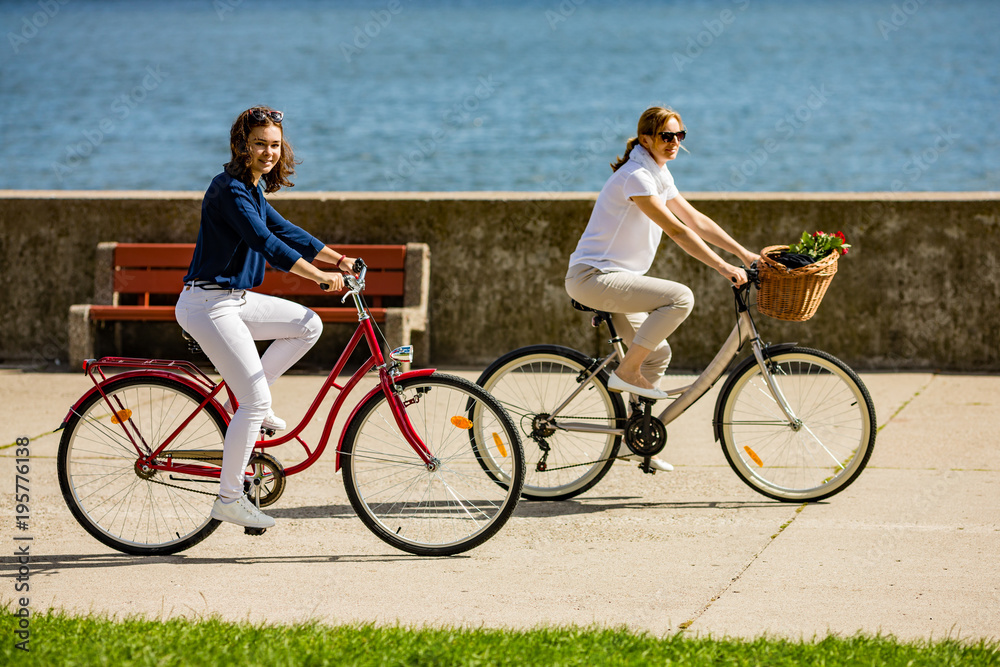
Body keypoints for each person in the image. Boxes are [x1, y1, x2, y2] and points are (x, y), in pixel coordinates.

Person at [175, 106, 357, 529]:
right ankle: (229, 497)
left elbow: (288, 231)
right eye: (260, 144)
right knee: (255, 403)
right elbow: (265, 242)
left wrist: (341, 260)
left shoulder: (251, 187)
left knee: (307, 325)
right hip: (208, 304)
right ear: (242, 145)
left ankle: (241, 401)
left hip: (234, 300)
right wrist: (319, 278)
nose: (268, 151)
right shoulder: (230, 190)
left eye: (275, 145)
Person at [565, 106, 758, 472]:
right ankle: (624, 373)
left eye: (679, 136)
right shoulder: (636, 177)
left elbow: (695, 219)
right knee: (680, 297)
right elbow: (677, 231)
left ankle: (629, 440)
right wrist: (722, 266)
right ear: (646, 139)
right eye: (666, 136)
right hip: (594, 277)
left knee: (657, 355)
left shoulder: (656, 172)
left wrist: (743, 253)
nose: (674, 143)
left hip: (617, 280)